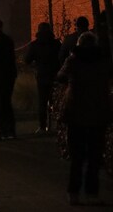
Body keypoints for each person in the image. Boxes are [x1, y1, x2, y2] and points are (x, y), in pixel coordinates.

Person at [56, 32, 111, 206]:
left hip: (76, 111)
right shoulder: (104, 60)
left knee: (77, 156)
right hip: (98, 110)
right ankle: (92, 193)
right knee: (95, 156)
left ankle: (73, 193)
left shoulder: (73, 60)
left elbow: (60, 77)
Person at [24, 22, 61, 134]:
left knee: (42, 101)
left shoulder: (35, 45)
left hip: (42, 75)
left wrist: (35, 63)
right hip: (55, 75)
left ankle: (42, 126)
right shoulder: (56, 44)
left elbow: (27, 60)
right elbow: (61, 56)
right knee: (56, 100)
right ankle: (59, 125)